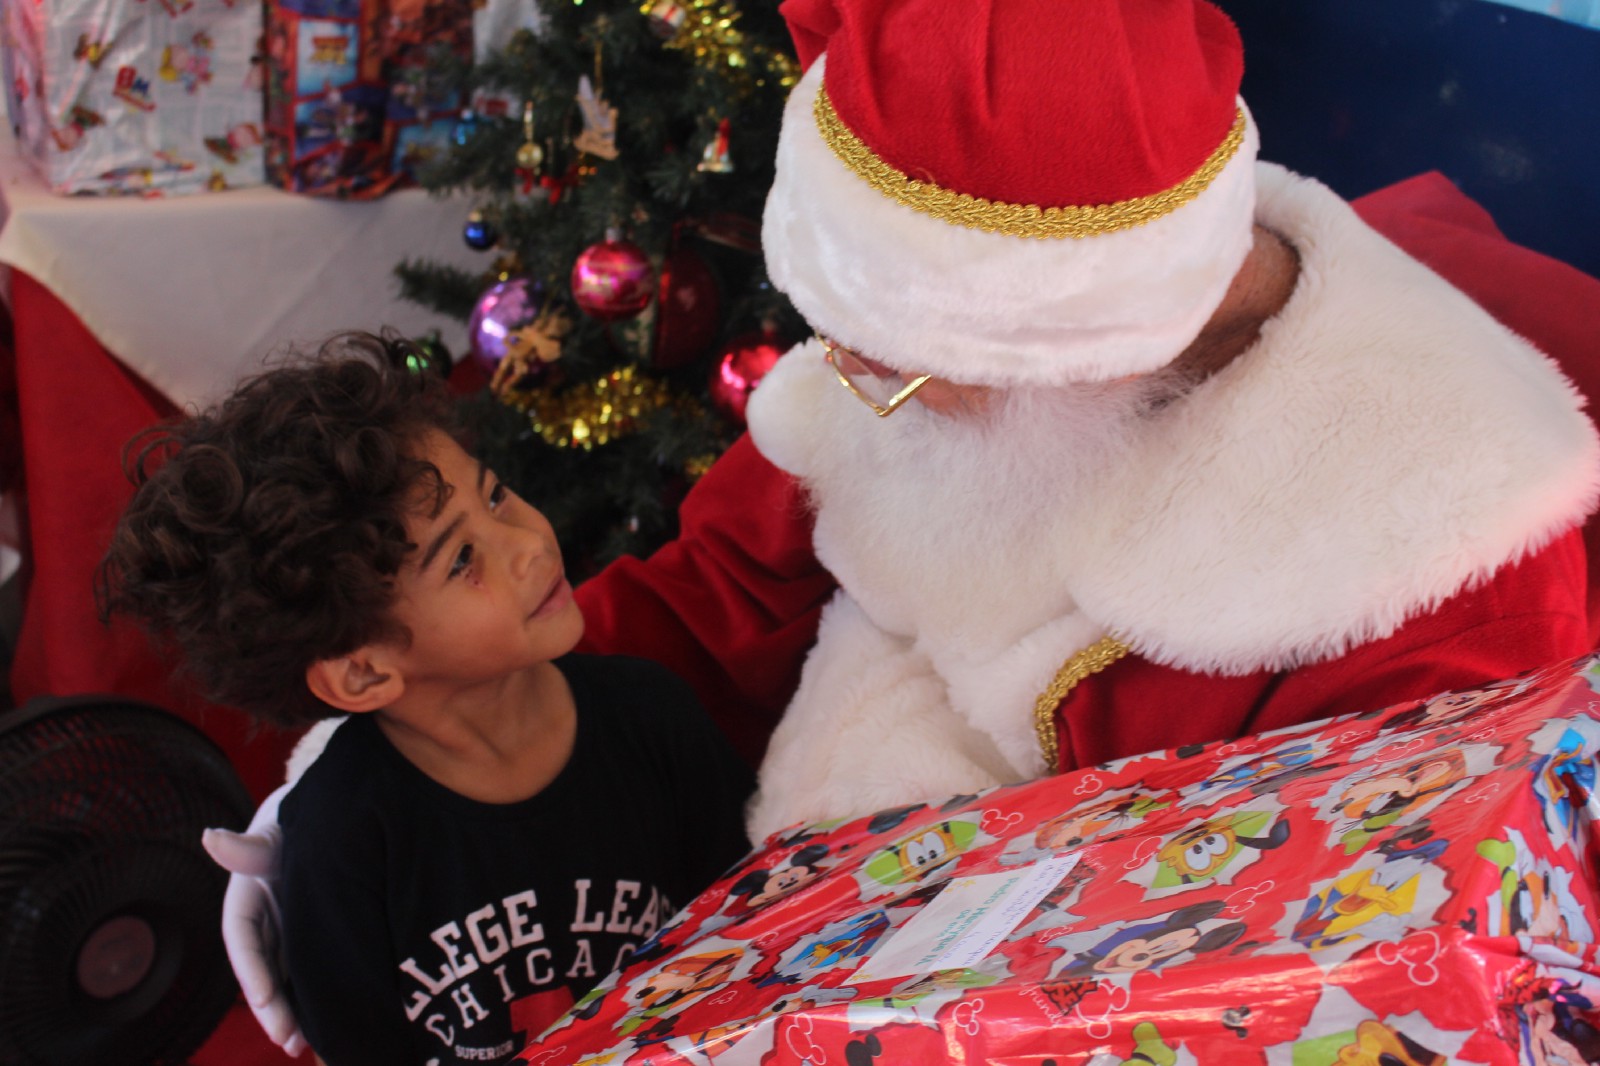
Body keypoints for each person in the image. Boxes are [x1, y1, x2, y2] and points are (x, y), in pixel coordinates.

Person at [209, 0, 1600, 1053]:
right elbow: (707, 603)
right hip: (766, 960)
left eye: (902, 362)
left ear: (1080, 342)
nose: (851, 388)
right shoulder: (928, 376)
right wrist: (389, 763)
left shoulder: (1445, 552)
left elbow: (1377, 955)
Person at [97, 337, 754, 1066]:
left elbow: (759, 938)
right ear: (362, 674)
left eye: (497, 494)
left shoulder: (654, 719)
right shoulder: (341, 845)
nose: (529, 544)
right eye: (462, 559)